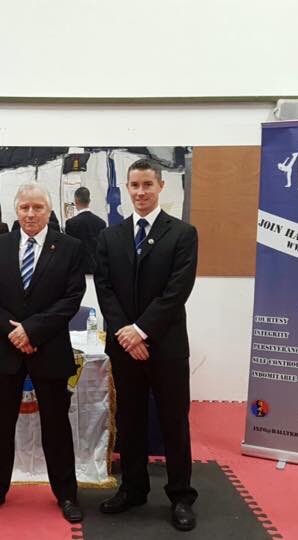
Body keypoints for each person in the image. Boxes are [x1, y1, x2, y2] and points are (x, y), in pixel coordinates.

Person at [94, 159, 199, 531]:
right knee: (131, 421)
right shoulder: (111, 236)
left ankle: (181, 495)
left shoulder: (183, 234)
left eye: (147, 185)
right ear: (127, 187)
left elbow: (177, 292)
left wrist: (141, 330)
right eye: (134, 185)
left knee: (174, 423)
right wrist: (125, 332)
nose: (140, 192)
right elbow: (104, 289)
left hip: (166, 347)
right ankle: (134, 488)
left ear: (161, 186)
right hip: (125, 347)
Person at [0, 182, 86, 523]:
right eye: (24, 207)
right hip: (5, 349)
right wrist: (13, 332)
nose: (31, 213)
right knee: (3, 424)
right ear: (16, 210)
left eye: (38, 207)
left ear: (49, 211)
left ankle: (66, 494)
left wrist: (32, 330)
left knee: (56, 425)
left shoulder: (69, 247)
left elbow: (72, 297)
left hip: (48, 347)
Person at [64, 187, 106, 274]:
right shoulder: (101, 223)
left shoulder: (71, 223)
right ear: (89, 200)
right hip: (97, 270)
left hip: (78, 270)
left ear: (76, 201)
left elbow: (69, 250)